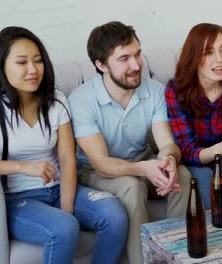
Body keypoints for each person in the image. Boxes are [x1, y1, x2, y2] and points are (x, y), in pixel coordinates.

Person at [0, 27, 128, 264]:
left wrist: (67, 210)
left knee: (114, 215)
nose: (32, 69)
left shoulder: (55, 99)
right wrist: (22, 167)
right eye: (21, 62)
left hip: (60, 190)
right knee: (63, 229)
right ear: (2, 66)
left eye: (38, 61)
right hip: (17, 199)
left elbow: (68, 158)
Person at [68, 21, 190, 264]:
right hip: (97, 172)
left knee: (183, 175)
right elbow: (102, 164)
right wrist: (143, 169)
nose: (136, 66)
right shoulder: (81, 100)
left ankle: (175, 255)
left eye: (137, 54)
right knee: (131, 187)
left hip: (142, 161)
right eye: (124, 59)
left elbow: (167, 143)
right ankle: (144, 261)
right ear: (101, 65)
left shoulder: (155, 91)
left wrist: (169, 159)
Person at [166, 23, 222, 209]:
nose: (219, 59)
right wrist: (220, 148)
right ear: (194, 56)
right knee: (206, 178)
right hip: (196, 159)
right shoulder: (176, 90)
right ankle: (218, 233)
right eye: (208, 53)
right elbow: (187, 150)